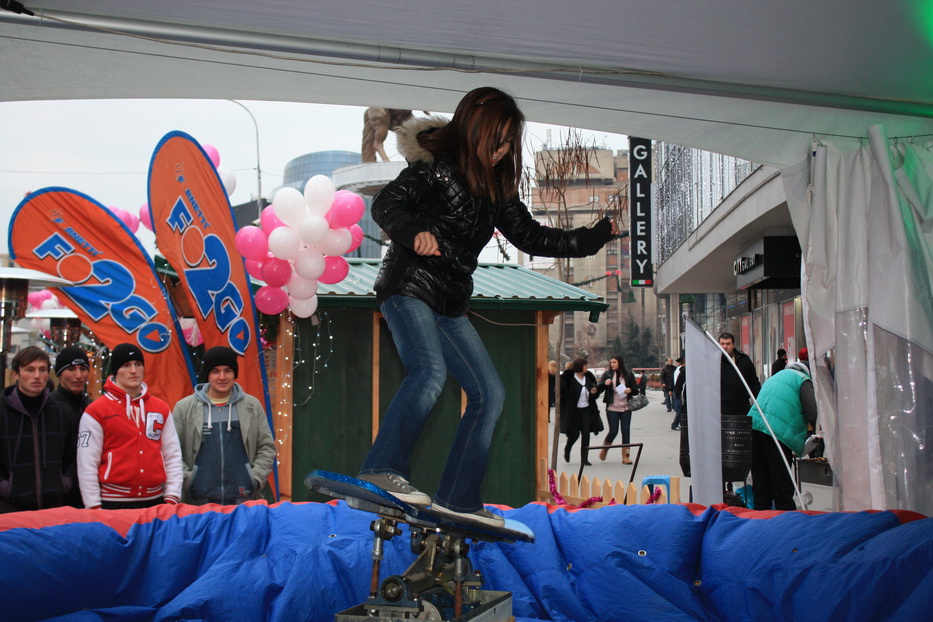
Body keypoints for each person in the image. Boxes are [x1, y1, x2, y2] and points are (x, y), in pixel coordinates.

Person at [356, 87, 617, 527]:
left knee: (490, 393)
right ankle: (381, 470)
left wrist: (589, 238)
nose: (502, 151)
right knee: (429, 371)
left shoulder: (497, 189)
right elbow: (387, 203)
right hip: (408, 285)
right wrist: (413, 231)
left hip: (449, 302)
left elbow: (531, 236)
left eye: (509, 142)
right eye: (497, 140)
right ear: (475, 132)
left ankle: (458, 497)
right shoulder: (434, 167)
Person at [77, 343, 183, 509]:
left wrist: (171, 498)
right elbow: (87, 463)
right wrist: (93, 507)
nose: (134, 370)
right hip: (112, 503)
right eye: (126, 365)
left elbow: (173, 455)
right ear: (115, 371)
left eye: (138, 364)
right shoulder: (96, 411)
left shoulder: (160, 408)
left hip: (155, 502)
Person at [173, 346, 276, 505]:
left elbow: (267, 447)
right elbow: (172, 452)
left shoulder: (251, 405)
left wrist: (254, 478)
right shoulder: (184, 408)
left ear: (235, 373)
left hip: (243, 502)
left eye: (227, 371)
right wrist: (189, 480)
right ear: (208, 374)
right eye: (215, 371)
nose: (222, 377)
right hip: (197, 504)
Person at [0, 346, 78, 512]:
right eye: (30, 370)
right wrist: (6, 488)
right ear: (15, 374)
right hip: (9, 508)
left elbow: (73, 457)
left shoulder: (62, 413)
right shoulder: (2, 413)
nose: (37, 376)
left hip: (54, 507)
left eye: (42, 370)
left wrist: (64, 483)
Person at [748, 361, 817, 510]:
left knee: (761, 483)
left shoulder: (775, 377)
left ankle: (761, 518)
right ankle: (786, 518)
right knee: (781, 482)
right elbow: (813, 412)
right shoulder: (803, 380)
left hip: (754, 427)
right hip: (776, 432)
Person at [49, 345, 92, 507]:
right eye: (71, 369)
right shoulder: (48, 406)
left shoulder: (92, 407)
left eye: (83, 369)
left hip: (88, 493)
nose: (78, 375)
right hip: (57, 495)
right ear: (59, 373)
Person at [560, 358, 603, 466]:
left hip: (586, 410)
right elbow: (563, 394)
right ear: (580, 366)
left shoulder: (588, 377)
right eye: (585, 365)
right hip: (574, 411)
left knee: (586, 434)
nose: (587, 367)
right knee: (574, 434)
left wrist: (594, 391)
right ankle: (568, 448)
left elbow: (594, 392)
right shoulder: (569, 379)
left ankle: (584, 458)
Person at [597, 355, 638, 464]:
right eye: (611, 362)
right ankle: (605, 448)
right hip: (612, 407)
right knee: (613, 431)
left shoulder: (628, 374)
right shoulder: (607, 374)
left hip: (626, 407)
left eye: (614, 362)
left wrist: (630, 390)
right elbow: (599, 388)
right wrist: (604, 384)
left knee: (626, 431)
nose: (612, 364)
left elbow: (636, 389)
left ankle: (626, 456)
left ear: (620, 363)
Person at [718, 332, 761, 416]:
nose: (725, 347)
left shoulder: (744, 360)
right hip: (723, 407)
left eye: (728, 344)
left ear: (733, 345)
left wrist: (759, 401)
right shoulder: (715, 361)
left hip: (742, 405)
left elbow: (753, 382)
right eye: (722, 344)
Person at [670, 356, 685, 431]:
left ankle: (680, 423)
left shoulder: (678, 370)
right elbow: (676, 382)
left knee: (680, 409)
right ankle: (675, 424)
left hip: (678, 391)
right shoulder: (680, 371)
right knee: (680, 410)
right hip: (680, 392)